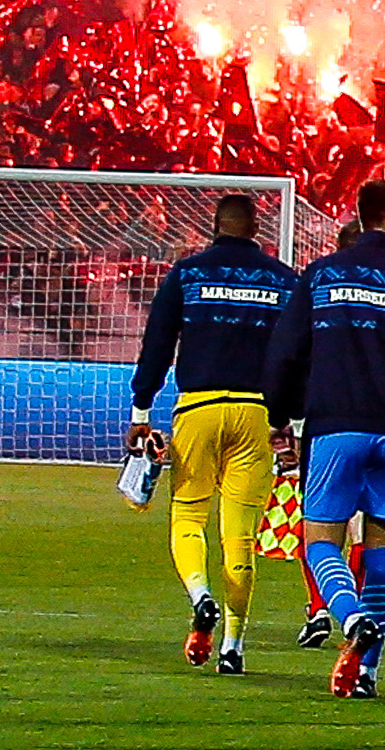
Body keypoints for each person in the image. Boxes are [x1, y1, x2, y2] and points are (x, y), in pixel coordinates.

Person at [265, 181, 385, 701]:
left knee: (321, 540)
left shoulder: (320, 277)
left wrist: (281, 416)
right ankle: (367, 671)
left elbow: (284, 354)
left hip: (335, 425)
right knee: (381, 547)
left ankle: (349, 615)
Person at [127, 193, 303, 674]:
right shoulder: (286, 281)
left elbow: (158, 343)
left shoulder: (187, 273)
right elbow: (296, 355)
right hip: (257, 416)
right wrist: (296, 422)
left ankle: (200, 595)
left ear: (214, 226)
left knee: (187, 518)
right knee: (239, 538)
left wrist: (142, 409)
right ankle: (232, 644)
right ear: (257, 228)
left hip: (198, 408)